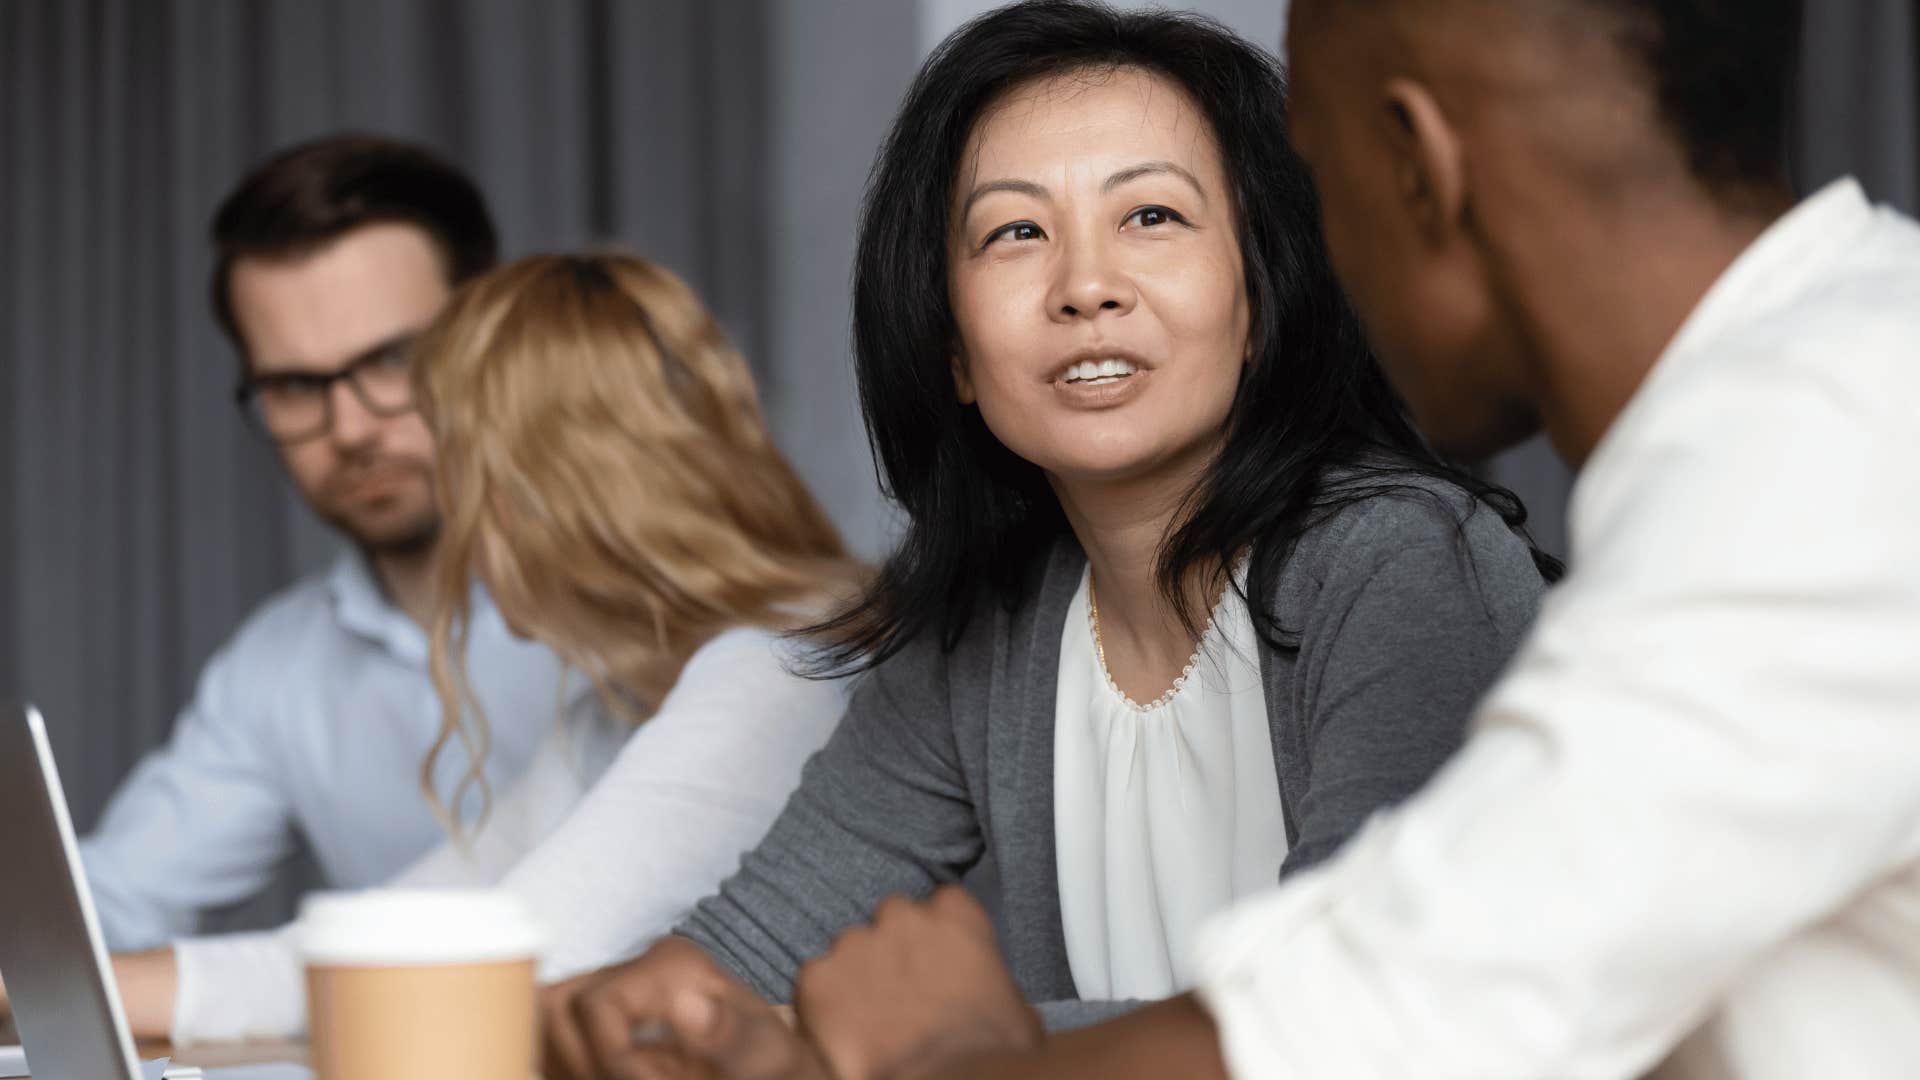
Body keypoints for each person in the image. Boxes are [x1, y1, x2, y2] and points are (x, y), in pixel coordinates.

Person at [679, 1, 1920, 1078]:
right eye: (1016, 233)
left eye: (1314, 192)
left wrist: (946, 1053)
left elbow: (1384, 1038)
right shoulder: (1803, 410)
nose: (1086, 285)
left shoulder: (1809, 463)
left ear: (1416, 167)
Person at [538, 4, 1558, 1077]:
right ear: (957, 354)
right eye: (1016, 232)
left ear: (1261, 295)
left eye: (1153, 217)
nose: (1086, 287)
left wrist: (921, 1047)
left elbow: (1359, 1028)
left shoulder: (1400, 564)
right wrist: (628, 1022)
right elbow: (738, 956)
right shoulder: (988, 624)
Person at [111, 251, 865, 1046]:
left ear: (543, 497)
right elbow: (400, 940)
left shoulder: (777, 673)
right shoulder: (604, 714)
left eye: (466, 477)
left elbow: (492, 969)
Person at [76, 135, 571, 954]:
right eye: (295, 386)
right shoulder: (279, 669)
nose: (349, 430)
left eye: (393, 359)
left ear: (493, 338)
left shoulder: (646, 598)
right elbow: (107, 904)